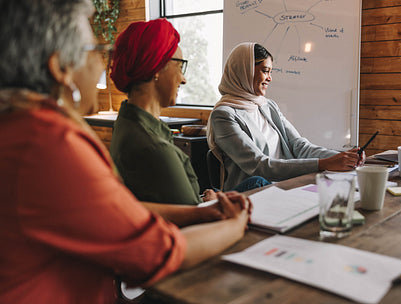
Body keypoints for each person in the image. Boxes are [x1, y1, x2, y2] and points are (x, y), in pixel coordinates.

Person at [0, 1, 250, 303]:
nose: (102, 65)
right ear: (60, 68)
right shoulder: (49, 143)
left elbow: (114, 211)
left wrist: (202, 213)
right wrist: (235, 227)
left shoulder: (19, 127)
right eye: (95, 50)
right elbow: (158, 253)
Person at [109, 20, 269, 206]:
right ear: (156, 68)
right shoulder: (153, 146)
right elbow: (193, 213)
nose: (183, 79)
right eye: (180, 66)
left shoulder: (129, 124)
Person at [207, 42, 365, 190]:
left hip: (282, 186)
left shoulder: (268, 106)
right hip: (251, 191)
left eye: (270, 72)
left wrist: (343, 157)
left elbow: (299, 146)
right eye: (265, 70)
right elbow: (259, 166)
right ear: (245, 71)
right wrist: (324, 163)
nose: (270, 78)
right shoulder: (223, 115)